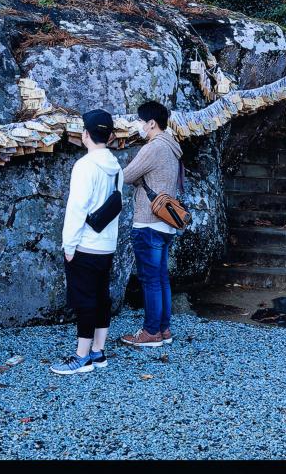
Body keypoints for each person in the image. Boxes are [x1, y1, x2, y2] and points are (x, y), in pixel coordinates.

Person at [50, 108, 124, 375]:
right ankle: (98, 351)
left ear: (85, 134)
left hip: (85, 244)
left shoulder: (84, 166)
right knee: (101, 297)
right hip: (107, 245)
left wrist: (68, 245)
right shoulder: (116, 168)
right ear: (110, 135)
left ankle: (82, 357)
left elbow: (77, 209)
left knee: (84, 299)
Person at [119, 100, 182, 348]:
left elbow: (126, 176)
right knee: (162, 278)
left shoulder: (153, 148)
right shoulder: (172, 147)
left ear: (152, 123)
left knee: (150, 280)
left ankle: (151, 332)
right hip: (166, 223)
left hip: (148, 222)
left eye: (141, 122)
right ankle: (163, 329)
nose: (139, 126)